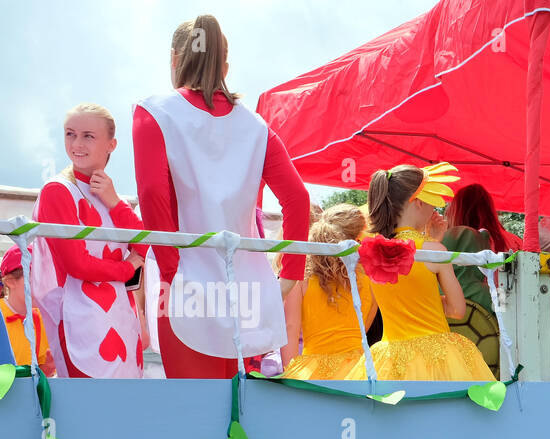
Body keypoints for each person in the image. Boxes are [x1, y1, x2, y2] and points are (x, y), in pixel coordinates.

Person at [134, 14, 309, 378]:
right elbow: (298, 199)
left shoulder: (153, 112)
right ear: (225, 64)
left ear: (174, 59)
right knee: (229, 408)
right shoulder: (256, 126)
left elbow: (152, 196)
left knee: (193, 410)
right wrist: (290, 274)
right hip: (242, 290)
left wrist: (170, 270)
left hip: (182, 282)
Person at [29, 104, 148, 378]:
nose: (76, 144)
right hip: (77, 319)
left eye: (88, 136)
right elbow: (77, 264)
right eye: (70, 134)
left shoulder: (112, 194)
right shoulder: (57, 191)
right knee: (87, 411)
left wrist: (115, 202)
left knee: (125, 410)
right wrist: (126, 268)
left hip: (123, 319)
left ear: (112, 144)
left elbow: (144, 242)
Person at [343, 165, 490, 382]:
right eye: (432, 201)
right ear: (419, 201)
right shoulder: (434, 252)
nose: (434, 210)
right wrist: (434, 243)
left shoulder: (371, 252)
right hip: (437, 358)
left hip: (389, 359)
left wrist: (432, 240)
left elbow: (402, 295)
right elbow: (457, 309)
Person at [281, 207, 377, 380]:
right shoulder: (370, 277)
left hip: (313, 370)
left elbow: (290, 327)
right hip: (358, 370)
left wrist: (290, 373)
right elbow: (366, 323)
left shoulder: (301, 277)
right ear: (355, 240)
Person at [442, 183, 522, 376]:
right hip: (509, 321)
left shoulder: (453, 239)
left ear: (457, 211)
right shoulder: (513, 241)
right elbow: (511, 297)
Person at [0, 247, 55, 375]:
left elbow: (39, 376)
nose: (42, 287)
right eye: (33, 280)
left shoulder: (40, 319)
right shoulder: (1, 313)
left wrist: (50, 366)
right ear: (10, 282)